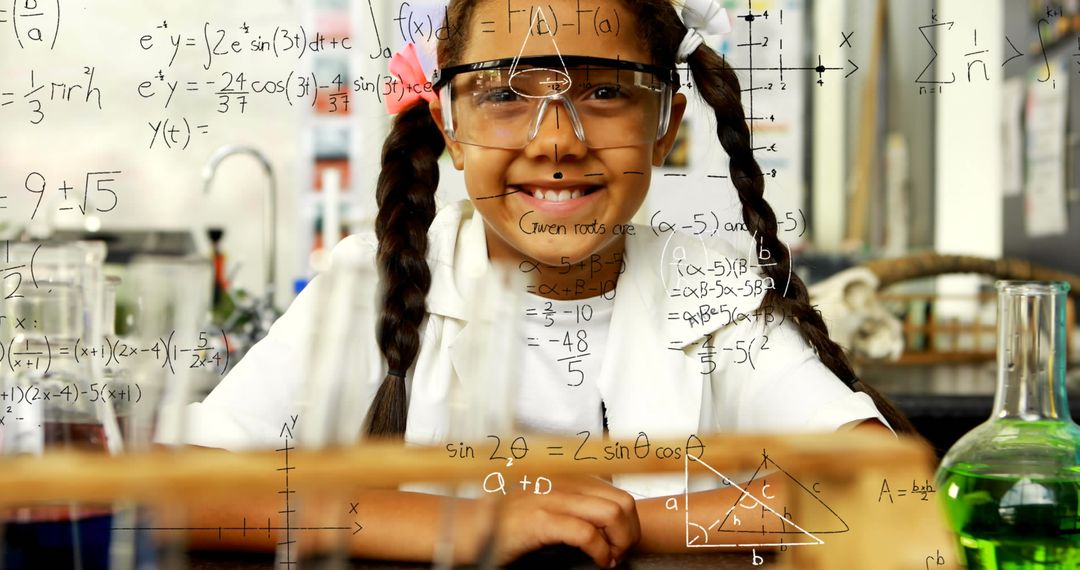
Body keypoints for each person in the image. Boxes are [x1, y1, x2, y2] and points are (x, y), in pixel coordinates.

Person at [180, 0, 914, 565]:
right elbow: (185, 491)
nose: (557, 139)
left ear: (665, 125)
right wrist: (461, 523)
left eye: (604, 93)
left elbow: (884, 485)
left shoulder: (712, 290)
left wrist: (621, 520)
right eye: (503, 95)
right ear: (450, 126)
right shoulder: (367, 282)